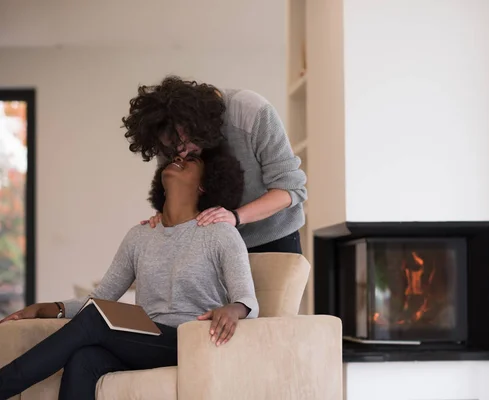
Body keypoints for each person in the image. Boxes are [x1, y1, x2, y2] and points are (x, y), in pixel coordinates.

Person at [0, 144, 258, 400]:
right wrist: (47, 308)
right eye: (179, 155)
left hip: (191, 340)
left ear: (204, 184)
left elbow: (248, 301)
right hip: (145, 341)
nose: (179, 157)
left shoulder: (221, 233)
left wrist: (234, 309)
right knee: (84, 359)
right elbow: (101, 299)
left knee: (94, 320)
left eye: (191, 159)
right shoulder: (139, 236)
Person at [122, 76, 307, 254]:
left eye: (186, 144)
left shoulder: (251, 112)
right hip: (212, 244)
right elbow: (174, 192)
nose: (181, 154)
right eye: (171, 148)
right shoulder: (167, 136)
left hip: (272, 239)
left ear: (199, 125)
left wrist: (235, 217)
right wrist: (165, 217)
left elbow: (290, 189)